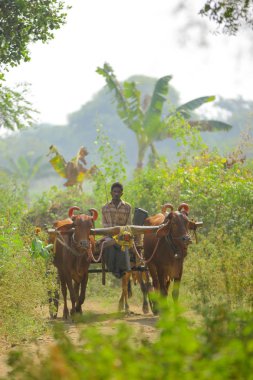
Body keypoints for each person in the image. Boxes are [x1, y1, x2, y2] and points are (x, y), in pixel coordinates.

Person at [101, 182, 132, 278]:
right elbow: (104, 225)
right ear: (111, 193)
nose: (116, 193)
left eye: (119, 192)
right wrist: (111, 236)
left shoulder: (127, 207)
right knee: (109, 244)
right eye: (114, 191)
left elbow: (129, 224)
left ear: (122, 194)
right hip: (109, 236)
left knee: (124, 244)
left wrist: (121, 235)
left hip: (123, 235)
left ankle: (122, 269)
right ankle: (113, 269)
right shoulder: (105, 207)